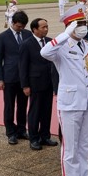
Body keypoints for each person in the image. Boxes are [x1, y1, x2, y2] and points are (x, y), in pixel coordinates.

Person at [40, 5, 88, 176]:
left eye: (84, 23)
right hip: (70, 103)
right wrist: (64, 34)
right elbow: (45, 52)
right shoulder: (61, 46)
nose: (83, 27)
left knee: (84, 145)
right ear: (70, 26)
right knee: (70, 148)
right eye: (79, 24)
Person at [19, 17, 59, 150]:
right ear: (34, 29)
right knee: (35, 111)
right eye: (43, 27)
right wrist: (25, 85)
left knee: (47, 110)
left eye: (47, 26)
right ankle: (34, 138)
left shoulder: (50, 42)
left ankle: (45, 136)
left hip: (49, 82)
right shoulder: (26, 44)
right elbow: (23, 66)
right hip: (35, 83)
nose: (46, 29)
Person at [0, 10, 32, 144]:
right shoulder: (2, 37)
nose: (21, 29)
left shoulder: (28, 34)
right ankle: (10, 132)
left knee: (23, 105)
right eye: (18, 26)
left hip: (24, 78)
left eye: (23, 26)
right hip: (9, 77)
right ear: (13, 23)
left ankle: (22, 129)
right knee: (9, 106)